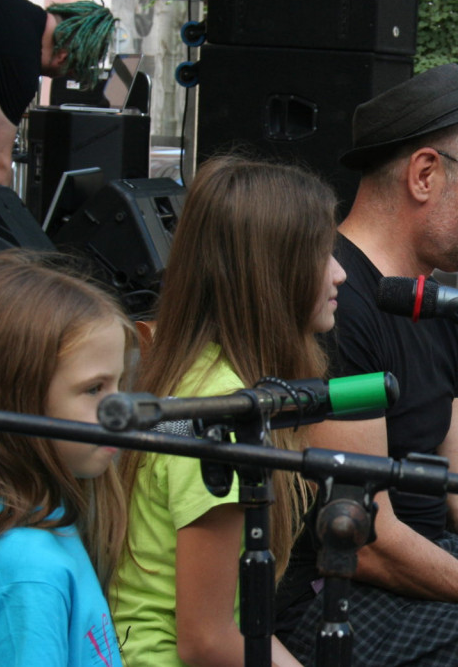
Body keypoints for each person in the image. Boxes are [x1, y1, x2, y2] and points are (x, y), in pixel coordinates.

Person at [274, 63, 458, 667]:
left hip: (423, 563)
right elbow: (360, 538)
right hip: (336, 593)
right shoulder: (333, 301)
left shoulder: (431, 300)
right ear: (425, 174)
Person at [110, 155, 344, 667]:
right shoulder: (224, 414)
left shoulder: (204, 374)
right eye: (324, 254)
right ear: (272, 272)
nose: (340, 272)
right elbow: (207, 640)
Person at [0, 249, 132, 665]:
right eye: (95, 389)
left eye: (119, 384)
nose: (121, 409)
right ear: (14, 400)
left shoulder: (42, 524)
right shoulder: (28, 574)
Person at [0, 0, 115, 184]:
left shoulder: (14, 6)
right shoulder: (23, 63)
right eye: (70, 71)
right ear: (63, 57)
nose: (59, 77)